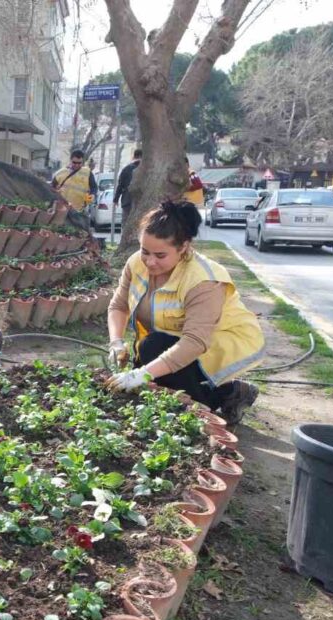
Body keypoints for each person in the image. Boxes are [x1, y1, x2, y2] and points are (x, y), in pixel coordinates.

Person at [104, 201, 264, 426]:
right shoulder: (135, 264)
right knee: (150, 353)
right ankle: (197, 394)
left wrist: (142, 374)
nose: (150, 262)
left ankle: (224, 396)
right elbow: (119, 306)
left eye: (160, 255)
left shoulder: (203, 280)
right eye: (145, 251)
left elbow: (195, 341)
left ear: (184, 247)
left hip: (217, 341)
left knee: (153, 351)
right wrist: (116, 343)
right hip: (169, 339)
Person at [52, 149, 97, 213]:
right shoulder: (61, 172)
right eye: (74, 162)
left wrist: (92, 195)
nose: (76, 165)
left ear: (82, 162)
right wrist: (56, 191)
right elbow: (51, 187)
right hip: (62, 209)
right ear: (70, 160)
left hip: (78, 210)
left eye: (79, 163)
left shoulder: (87, 172)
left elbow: (94, 187)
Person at [113, 148, 142, 224]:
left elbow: (120, 185)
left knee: (126, 223)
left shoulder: (127, 169)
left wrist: (116, 199)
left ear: (134, 156)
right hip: (141, 201)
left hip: (127, 201)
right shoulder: (148, 169)